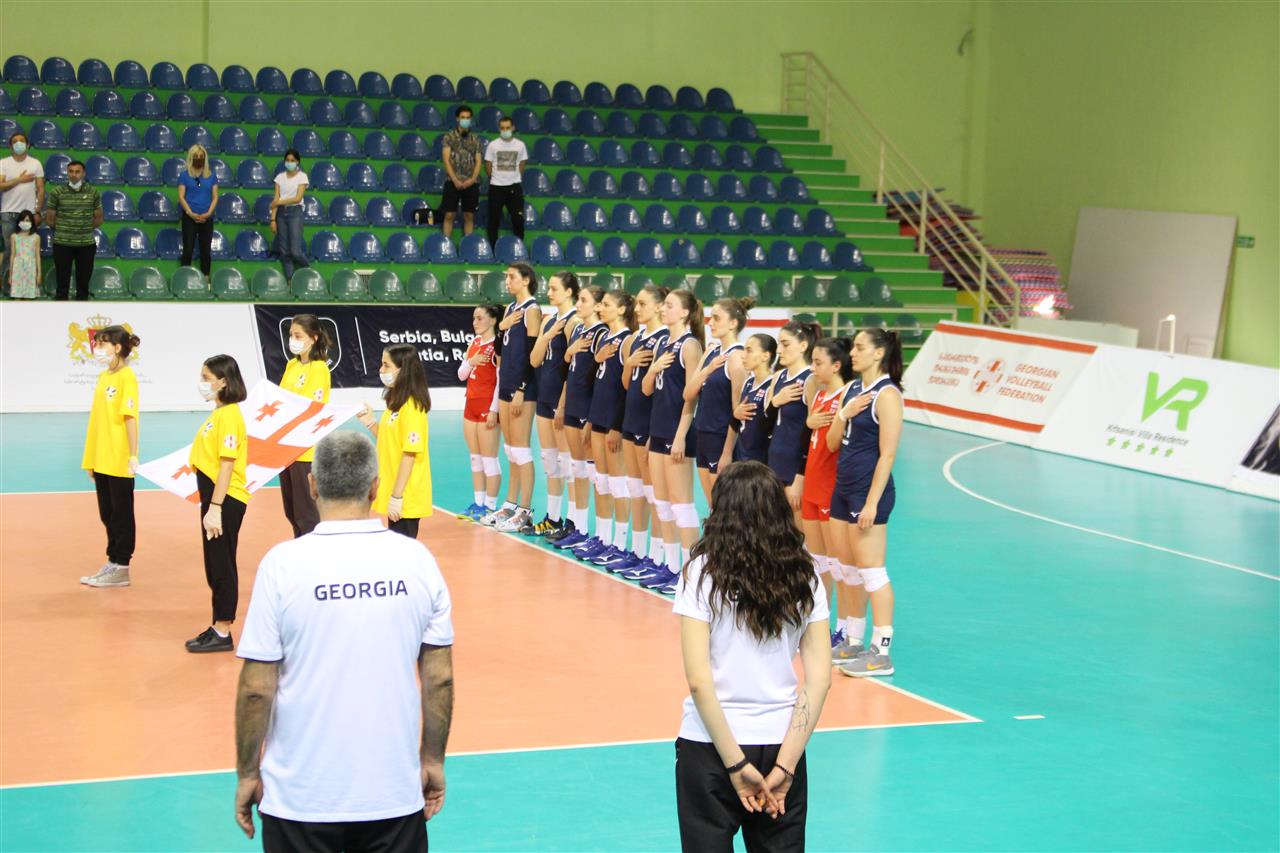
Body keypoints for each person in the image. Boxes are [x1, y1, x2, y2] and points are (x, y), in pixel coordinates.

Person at [233, 430, 454, 851]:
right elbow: (439, 679)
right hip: (394, 797)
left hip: (299, 803)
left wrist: (247, 772)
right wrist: (432, 759)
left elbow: (257, 689)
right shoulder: (417, 561)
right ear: (374, 488)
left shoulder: (282, 565)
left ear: (312, 485)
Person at [674, 460, 832, 853]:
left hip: (709, 746)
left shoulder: (700, 573)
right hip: (781, 744)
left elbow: (699, 682)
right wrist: (786, 766)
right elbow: (819, 679)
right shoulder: (806, 575)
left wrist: (736, 765)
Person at [826, 328, 904, 677]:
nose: (853, 353)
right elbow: (832, 443)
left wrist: (871, 503)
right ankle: (853, 640)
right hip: (843, 489)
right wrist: (843, 413)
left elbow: (887, 455)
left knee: (872, 572)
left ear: (879, 353)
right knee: (847, 570)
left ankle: (881, 651)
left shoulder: (887, 395)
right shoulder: (853, 389)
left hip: (867, 493)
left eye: (860, 347)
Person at [803, 338, 867, 664]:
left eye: (818, 363)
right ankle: (821, 624)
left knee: (840, 565)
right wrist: (809, 421)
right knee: (817, 563)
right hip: (811, 485)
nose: (813, 368)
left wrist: (835, 416)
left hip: (831, 489)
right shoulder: (819, 395)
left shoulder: (846, 396)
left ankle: (844, 629)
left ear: (836, 365)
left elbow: (833, 444)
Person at [640, 289, 705, 588]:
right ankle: (670, 566)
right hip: (657, 427)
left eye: (669, 305)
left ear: (685, 313)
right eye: (663, 305)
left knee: (681, 504)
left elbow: (691, 396)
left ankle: (691, 574)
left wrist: (680, 436)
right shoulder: (661, 344)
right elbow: (647, 390)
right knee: (662, 502)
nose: (663, 309)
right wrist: (653, 369)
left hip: (678, 432)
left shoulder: (690, 346)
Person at [187, 354, 250, 654]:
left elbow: (227, 464)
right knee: (214, 562)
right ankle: (217, 625)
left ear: (223, 382)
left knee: (222, 562)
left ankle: (224, 629)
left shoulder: (230, 416)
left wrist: (215, 507)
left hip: (225, 499)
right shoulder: (219, 414)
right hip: (214, 498)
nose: (202, 383)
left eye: (206, 378)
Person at [606, 284, 670, 573]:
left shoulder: (663, 339)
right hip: (631, 420)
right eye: (637, 303)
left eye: (643, 304)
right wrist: (629, 364)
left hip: (649, 423)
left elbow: (661, 392)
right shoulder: (635, 338)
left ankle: (657, 558)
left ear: (659, 307)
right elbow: (626, 383)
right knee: (636, 490)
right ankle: (638, 551)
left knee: (654, 494)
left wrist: (654, 432)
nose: (637, 309)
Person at [480, 263, 542, 532]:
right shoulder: (510, 309)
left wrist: (522, 388)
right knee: (510, 449)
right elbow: (499, 353)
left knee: (521, 448)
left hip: (522, 389)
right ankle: (510, 503)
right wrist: (501, 329)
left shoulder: (532, 310)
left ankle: (525, 510)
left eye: (512, 277)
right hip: (505, 384)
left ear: (526, 280)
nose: (507, 281)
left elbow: (532, 355)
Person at [79, 326, 141, 589]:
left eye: (103, 344)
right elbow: (97, 420)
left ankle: (122, 566)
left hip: (118, 458)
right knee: (107, 513)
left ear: (117, 348)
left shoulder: (127, 377)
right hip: (101, 457)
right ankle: (112, 561)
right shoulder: (104, 376)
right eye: (97, 344)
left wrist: (133, 455)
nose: (98, 349)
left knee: (121, 514)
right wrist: (91, 459)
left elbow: (130, 417)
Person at [583, 289, 639, 567]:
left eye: (606, 305)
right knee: (601, 481)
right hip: (598, 416)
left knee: (618, 485)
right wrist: (591, 419)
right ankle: (604, 539)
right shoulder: (604, 337)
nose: (600, 308)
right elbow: (597, 383)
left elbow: (626, 389)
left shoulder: (628, 340)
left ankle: (619, 544)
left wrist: (617, 426)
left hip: (613, 421)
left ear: (621, 310)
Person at [550, 284, 607, 553]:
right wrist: (562, 405)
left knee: (592, 473)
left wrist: (592, 418)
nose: (578, 304)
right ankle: (576, 526)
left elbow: (600, 379)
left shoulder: (601, 333)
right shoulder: (578, 330)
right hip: (572, 404)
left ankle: (592, 533)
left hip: (587, 408)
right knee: (576, 469)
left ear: (597, 305)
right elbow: (568, 371)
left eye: (584, 300)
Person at [358, 344, 433, 540]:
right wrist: (370, 422)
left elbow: (409, 454)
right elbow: (390, 439)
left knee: (403, 548)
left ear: (403, 370)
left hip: (406, 495)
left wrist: (397, 497)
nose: (381, 370)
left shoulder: (413, 408)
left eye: (386, 365)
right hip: (394, 487)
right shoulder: (396, 403)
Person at [527, 274, 579, 537]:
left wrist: (563, 404)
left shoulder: (574, 322)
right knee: (550, 463)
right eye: (548, 288)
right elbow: (535, 360)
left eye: (554, 288)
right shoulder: (549, 320)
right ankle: (553, 518)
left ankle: (572, 523)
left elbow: (575, 369)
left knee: (568, 465)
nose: (549, 292)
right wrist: (546, 336)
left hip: (560, 401)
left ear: (569, 291)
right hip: (544, 397)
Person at [689, 298, 751, 506]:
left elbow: (737, 412)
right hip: (702, 435)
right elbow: (688, 393)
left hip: (720, 438)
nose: (710, 323)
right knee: (712, 507)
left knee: (725, 509)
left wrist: (726, 452)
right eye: (710, 317)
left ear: (733, 323)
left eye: (716, 318)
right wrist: (707, 368)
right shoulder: (712, 352)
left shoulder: (737, 357)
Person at [278, 314, 332, 538]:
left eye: (298, 335)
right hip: (285, 447)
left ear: (314, 337)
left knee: (306, 511)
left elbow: (310, 408)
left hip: (305, 450)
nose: (293, 340)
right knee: (291, 509)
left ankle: (313, 550)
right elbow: (280, 400)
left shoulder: (319, 369)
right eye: (291, 335)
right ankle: (299, 544)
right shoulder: (291, 365)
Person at [765, 320, 820, 522]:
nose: (779, 350)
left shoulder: (810, 380)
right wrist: (775, 402)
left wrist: (800, 475)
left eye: (785, 344)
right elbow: (765, 425)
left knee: (799, 534)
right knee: (775, 532)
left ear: (803, 346)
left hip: (795, 468)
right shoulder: (778, 377)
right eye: (779, 343)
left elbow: (813, 432)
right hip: (774, 463)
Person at [456, 303, 502, 521]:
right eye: (474, 318)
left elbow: (500, 380)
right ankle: (478, 503)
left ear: (492, 320)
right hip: (470, 404)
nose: (475, 322)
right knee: (475, 458)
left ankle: (490, 507)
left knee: (489, 459)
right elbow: (461, 375)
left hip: (487, 406)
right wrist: (470, 361)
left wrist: (494, 409)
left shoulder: (497, 346)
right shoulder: (474, 342)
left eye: (480, 318)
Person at [43, 160, 102, 301]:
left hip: (86, 244)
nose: (74, 174)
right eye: (71, 171)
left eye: (77, 171)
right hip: (62, 243)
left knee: (83, 286)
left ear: (83, 173)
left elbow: (99, 218)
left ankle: (82, 309)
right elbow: (49, 219)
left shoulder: (93, 192)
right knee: (62, 284)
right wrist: (65, 229)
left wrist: (82, 228)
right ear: (67, 173)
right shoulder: (57, 192)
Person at [0, 132, 44, 294]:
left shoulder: (35, 163)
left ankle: (30, 286)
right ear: (10, 146)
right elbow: (1, 186)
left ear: (28, 144)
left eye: (21, 141)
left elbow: (40, 189)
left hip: (28, 214)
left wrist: (37, 211)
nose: (18, 144)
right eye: (15, 141)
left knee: (30, 251)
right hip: (8, 212)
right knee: (9, 250)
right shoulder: (3, 163)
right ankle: (8, 287)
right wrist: (19, 179)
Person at [733, 334, 778, 465]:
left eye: (749, 350)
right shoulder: (748, 382)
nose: (743, 355)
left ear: (765, 356)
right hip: (741, 455)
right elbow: (736, 422)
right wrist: (736, 414)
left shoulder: (772, 385)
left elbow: (769, 426)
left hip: (759, 460)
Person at [483, 115, 527, 247]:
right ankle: (493, 248)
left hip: (514, 187)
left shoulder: (520, 145)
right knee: (493, 220)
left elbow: (522, 164)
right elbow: (488, 165)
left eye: (507, 128)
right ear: (499, 129)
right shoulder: (492, 145)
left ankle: (519, 247)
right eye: (502, 128)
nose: (505, 130)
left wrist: (514, 177)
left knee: (518, 220)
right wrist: (496, 178)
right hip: (496, 187)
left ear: (513, 128)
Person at [177, 144, 219, 279]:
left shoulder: (212, 177)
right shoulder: (184, 176)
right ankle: (184, 277)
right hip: (189, 218)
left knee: (205, 250)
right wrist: (190, 213)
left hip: (207, 218)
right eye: (196, 156)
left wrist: (208, 213)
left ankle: (206, 278)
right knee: (188, 249)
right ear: (191, 157)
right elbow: (181, 197)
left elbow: (215, 197)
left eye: (201, 156)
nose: (199, 158)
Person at [440, 106, 482, 240]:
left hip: (471, 183)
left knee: (469, 215)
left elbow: (478, 161)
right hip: (452, 182)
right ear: (457, 119)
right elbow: (446, 160)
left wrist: (472, 180)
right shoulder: (449, 137)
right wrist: (455, 180)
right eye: (463, 117)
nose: (465, 120)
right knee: (449, 215)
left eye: (468, 118)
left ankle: (468, 244)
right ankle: (447, 243)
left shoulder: (476, 139)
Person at [270, 149, 309, 282]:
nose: (289, 162)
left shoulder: (302, 177)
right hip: (281, 214)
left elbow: (298, 198)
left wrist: (279, 202)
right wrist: (273, 219)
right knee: (284, 252)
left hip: (295, 212)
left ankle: (309, 272)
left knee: (295, 251)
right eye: (287, 160)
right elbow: (276, 198)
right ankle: (290, 281)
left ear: (297, 162)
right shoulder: (279, 177)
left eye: (292, 160)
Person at [6, 209, 40, 299]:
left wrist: (39, 273)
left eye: (27, 220)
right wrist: (10, 274)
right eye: (23, 220)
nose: (25, 222)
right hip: (17, 269)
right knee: (17, 296)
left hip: (31, 269)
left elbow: (37, 256)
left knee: (28, 297)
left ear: (32, 222)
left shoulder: (36, 237)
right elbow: (12, 255)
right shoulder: (14, 236)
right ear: (19, 222)